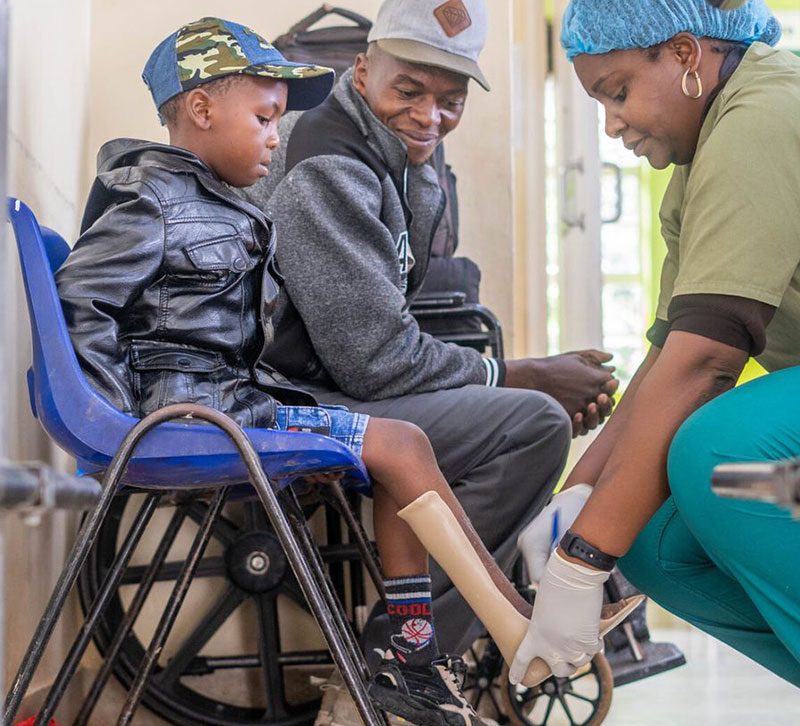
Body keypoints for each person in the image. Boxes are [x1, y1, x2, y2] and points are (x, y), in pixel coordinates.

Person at [54, 17, 536, 724]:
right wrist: (116, 418)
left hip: (237, 403)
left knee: (397, 445)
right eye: (264, 119)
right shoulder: (152, 201)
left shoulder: (219, 204)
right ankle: (485, 626)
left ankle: (415, 650)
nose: (276, 138)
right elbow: (81, 295)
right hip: (201, 411)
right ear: (201, 109)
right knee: (400, 444)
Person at [243, 0, 619, 662]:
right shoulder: (329, 163)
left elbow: (383, 336)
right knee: (534, 423)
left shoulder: (400, 160)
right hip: (286, 396)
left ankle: (423, 638)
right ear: (362, 72)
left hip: (330, 380)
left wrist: (525, 376)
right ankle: (407, 654)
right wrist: (526, 374)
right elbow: (376, 361)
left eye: (451, 100)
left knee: (519, 412)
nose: (430, 115)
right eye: (408, 90)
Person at [512, 0, 800, 689]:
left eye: (617, 92)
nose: (612, 123)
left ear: (682, 54)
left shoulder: (764, 112)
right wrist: (577, 500)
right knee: (656, 536)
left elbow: (708, 363)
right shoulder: (699, 168)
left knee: (715, 454)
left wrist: (581, 563)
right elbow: (672, 352)